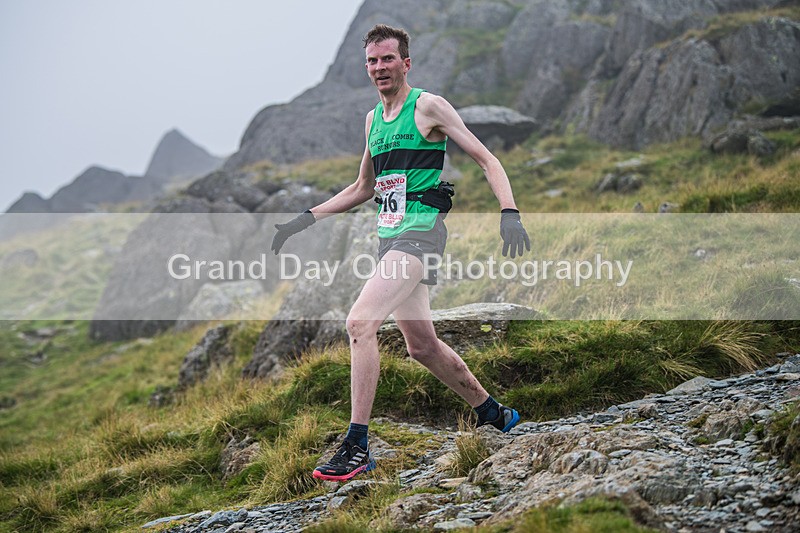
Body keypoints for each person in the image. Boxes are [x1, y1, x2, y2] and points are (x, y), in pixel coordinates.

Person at [271, 24, 530, 482]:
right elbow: (362, 188)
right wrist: (303, 219)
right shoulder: (373, 121)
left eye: (387, 59)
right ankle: (493, 414)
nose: (379, 68)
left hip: (422, 234)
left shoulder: (428, 106)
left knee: (359, 323)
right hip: (390, 238)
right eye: (372, 61)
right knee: (421, 346)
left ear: (405, 63)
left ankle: (356, 444)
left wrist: (509, 212)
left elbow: (487, 159)